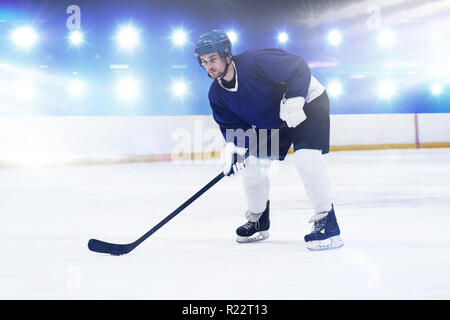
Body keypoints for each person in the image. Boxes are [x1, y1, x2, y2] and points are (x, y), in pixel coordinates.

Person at [194, 30, 343, 250]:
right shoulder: (217, 94)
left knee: (306, 158)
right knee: (252, 164)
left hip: (308, 103)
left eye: (212, 59)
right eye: (204, 62)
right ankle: (258, 219)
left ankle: (327, 222)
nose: (209, 66)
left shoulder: (255, 61)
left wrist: (295, 98)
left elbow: (298, 66)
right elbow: (233, 128)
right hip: (275, 120)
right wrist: (235, 148)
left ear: (226, 54)